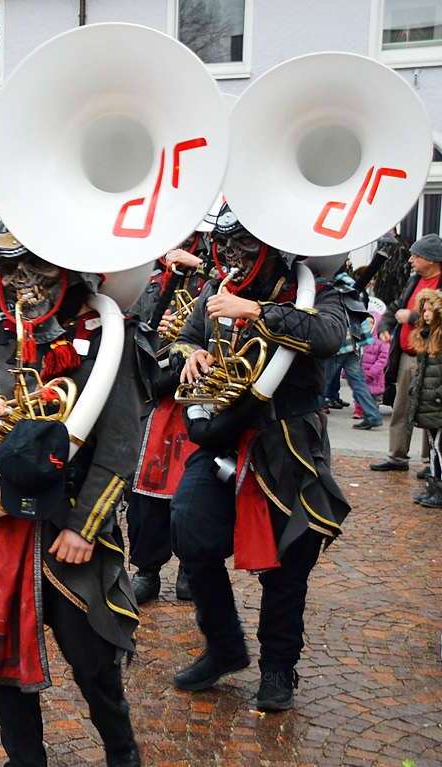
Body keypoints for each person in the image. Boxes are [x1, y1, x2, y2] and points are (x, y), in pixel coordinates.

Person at [0, 232, 143, 767]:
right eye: (12, 274)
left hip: (69, 527)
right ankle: (24, 759)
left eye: (37, 273)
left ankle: (123, 755)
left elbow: (122, 443)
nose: (22, 287)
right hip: (1, 523)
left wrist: (86, 526)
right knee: (1, 656)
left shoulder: (106, 339)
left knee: (93, 659)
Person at [170, 204, 350, 712]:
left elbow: (330, 334)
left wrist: (254, 312)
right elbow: (184, 340)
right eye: (224, 247)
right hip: (224, 434)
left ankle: (278, 668)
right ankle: (224, 646)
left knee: (289, 565)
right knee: (190, 533)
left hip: (287, 442)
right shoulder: (217, 287)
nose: (231, 257)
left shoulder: (313, 287)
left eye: (243, 247)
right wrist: (193, 356)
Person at [127, 237, 213, 605]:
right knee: (146, 493)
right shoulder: (152, 275)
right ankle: (147, 569)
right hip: (159, 394)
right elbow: (136, 325)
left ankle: (191, 570)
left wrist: (201, 267)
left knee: (198, 496)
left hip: (206, 393)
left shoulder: (215, 275)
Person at [370, 234, 442, 472]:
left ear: (431, 260)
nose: (411, 259)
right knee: (402, 406)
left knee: (432, 410)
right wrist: (385, 326)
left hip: (433, 359)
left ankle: (431, 462)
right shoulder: (414, 281)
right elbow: (395, 306)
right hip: (407, 356)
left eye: (416, 255)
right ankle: (397, 456)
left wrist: (412, 317)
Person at [320, 271, 382, 430]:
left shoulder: (330, 283)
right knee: (357, 380)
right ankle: (372, 414)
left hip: (339, 340)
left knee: (323, 379)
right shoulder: (347, 283)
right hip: (353, 339)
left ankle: (314, 411)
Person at [406, 289, 442, 507]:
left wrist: (438, 394)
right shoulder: (426, 336)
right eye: (424, 310)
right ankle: (434, 486)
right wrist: (414, 389)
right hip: (429, 401)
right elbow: (422, 370)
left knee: (439, 446)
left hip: (437, 401)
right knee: (433, 445)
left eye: (430, 309)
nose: (426, 314)